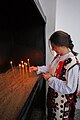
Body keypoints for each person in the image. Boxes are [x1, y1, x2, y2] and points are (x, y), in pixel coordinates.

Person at [29, 30, 79, 120]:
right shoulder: (59, 57)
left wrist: (51, 78)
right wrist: (38, 69)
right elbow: (51, 67)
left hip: (62, 105)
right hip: (53, 100)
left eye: (53, 46)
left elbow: (70, 88)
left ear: (61, 45)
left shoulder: (72, 64)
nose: (52, 49)